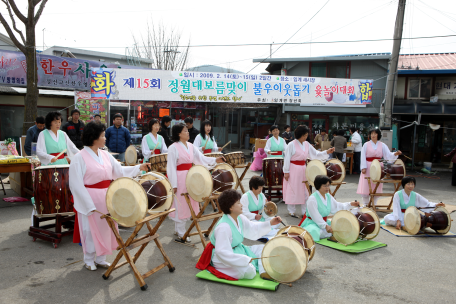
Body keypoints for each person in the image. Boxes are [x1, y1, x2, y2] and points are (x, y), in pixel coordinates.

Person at [69, 121, 151, 271]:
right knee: (89, 229)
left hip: (107, 196)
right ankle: (89, 259)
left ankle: (101, 258)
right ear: (94, 138)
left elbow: (119, 171)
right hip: (90, 198)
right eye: (102, 135)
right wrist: (88, 204)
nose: (105, 138)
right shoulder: (79, 157)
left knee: (107, 228)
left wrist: (139, 167)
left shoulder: (105, 155)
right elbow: (75, 184)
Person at [196, 189, 283, 280]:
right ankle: (261, 267)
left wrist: (270, 223)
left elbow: (252, 227)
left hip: (238, 249)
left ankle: (263, 271)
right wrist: (243, 259)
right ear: (231, 208)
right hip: (223, 258)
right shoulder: (223, 227)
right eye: (238, 203)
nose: (241, 205)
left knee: (264, 248)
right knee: (249, 271)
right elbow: (222, 252)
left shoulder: (240, 217)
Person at [167, 123, 225, 242]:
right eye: (185, 131)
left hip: (191, 177)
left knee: (190, 200)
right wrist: (173, 184)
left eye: (187, 131)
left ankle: (179, 228)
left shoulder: (191, 146)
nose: (188, 133)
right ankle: (180, 231)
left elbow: (201, 159)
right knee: (181, 202)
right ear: (179, 134)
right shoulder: (173, 147)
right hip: (179, 178)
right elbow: (171, 167)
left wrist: (215, 159)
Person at [283, 125, 335, 218]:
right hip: (293, 168)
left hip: (304, 168)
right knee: (293, 188)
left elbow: (315, 154)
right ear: (299, 135)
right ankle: (291, 210)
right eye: (304, 135)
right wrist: (286, 171)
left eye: (306, 135)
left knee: (305, 189)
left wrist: (327, 152)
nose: (305, 137)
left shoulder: (306, 144)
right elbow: (287, 158)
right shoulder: (291, 144)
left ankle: (305, 211)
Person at [300, 175, 360, 241]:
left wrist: (350, 204)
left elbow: (337, 206)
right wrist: (325, 226)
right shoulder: (312, 199)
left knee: (341, 227)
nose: (327, 188)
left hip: (325, 222)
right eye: (325, 186)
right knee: (314, 232)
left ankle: (328, 232)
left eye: (328, 185)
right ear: (318, 186)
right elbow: (315, 216)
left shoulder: (328, 196)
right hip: (312, 223)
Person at [357, 129, 402, 205]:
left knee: (377, 184)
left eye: (375, 134)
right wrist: (363, 167)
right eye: (371, 134)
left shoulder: (382, 145)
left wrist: (395, 154)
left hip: (378, 167)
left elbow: (388, 155)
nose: (373, 135)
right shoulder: (366, 144)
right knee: (366, 183)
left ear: (378, 135)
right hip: (368, 166)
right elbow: (363, 156)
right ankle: (365, 203)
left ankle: (374, 203)